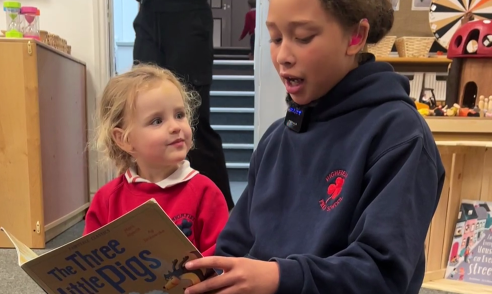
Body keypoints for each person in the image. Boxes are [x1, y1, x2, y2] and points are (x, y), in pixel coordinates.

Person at [183, 0, 445, 293]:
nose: (282, 56)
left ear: (356, 36)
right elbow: (234, 245)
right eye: (275, 38)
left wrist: (279, 278)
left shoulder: (399, 135)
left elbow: (382, 273)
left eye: (303, 37)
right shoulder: (275, 140)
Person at [83, 64, 229, 257]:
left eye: (179, 115)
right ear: (125, 140)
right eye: (157, 121)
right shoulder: (106, 200)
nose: (175, 127)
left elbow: (220, 260)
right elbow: (89, 261)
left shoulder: (206, 193)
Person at [132, 0, 235, 211]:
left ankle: (225, 216)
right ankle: (148, 206)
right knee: (142, 114)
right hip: (148, 13)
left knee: (193, 125)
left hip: (189, 14)